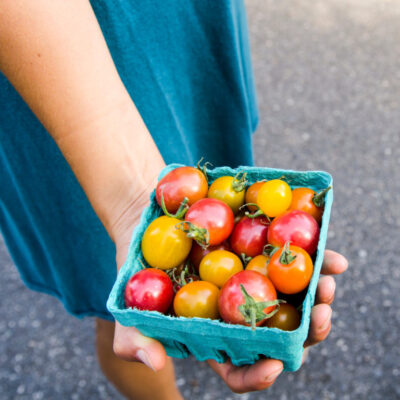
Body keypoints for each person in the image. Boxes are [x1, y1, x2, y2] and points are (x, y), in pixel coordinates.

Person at [0, 1, 348, 399]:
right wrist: (131, 195)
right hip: (49, 57)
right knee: (109, 287)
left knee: (209, 146)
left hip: (177, 18)